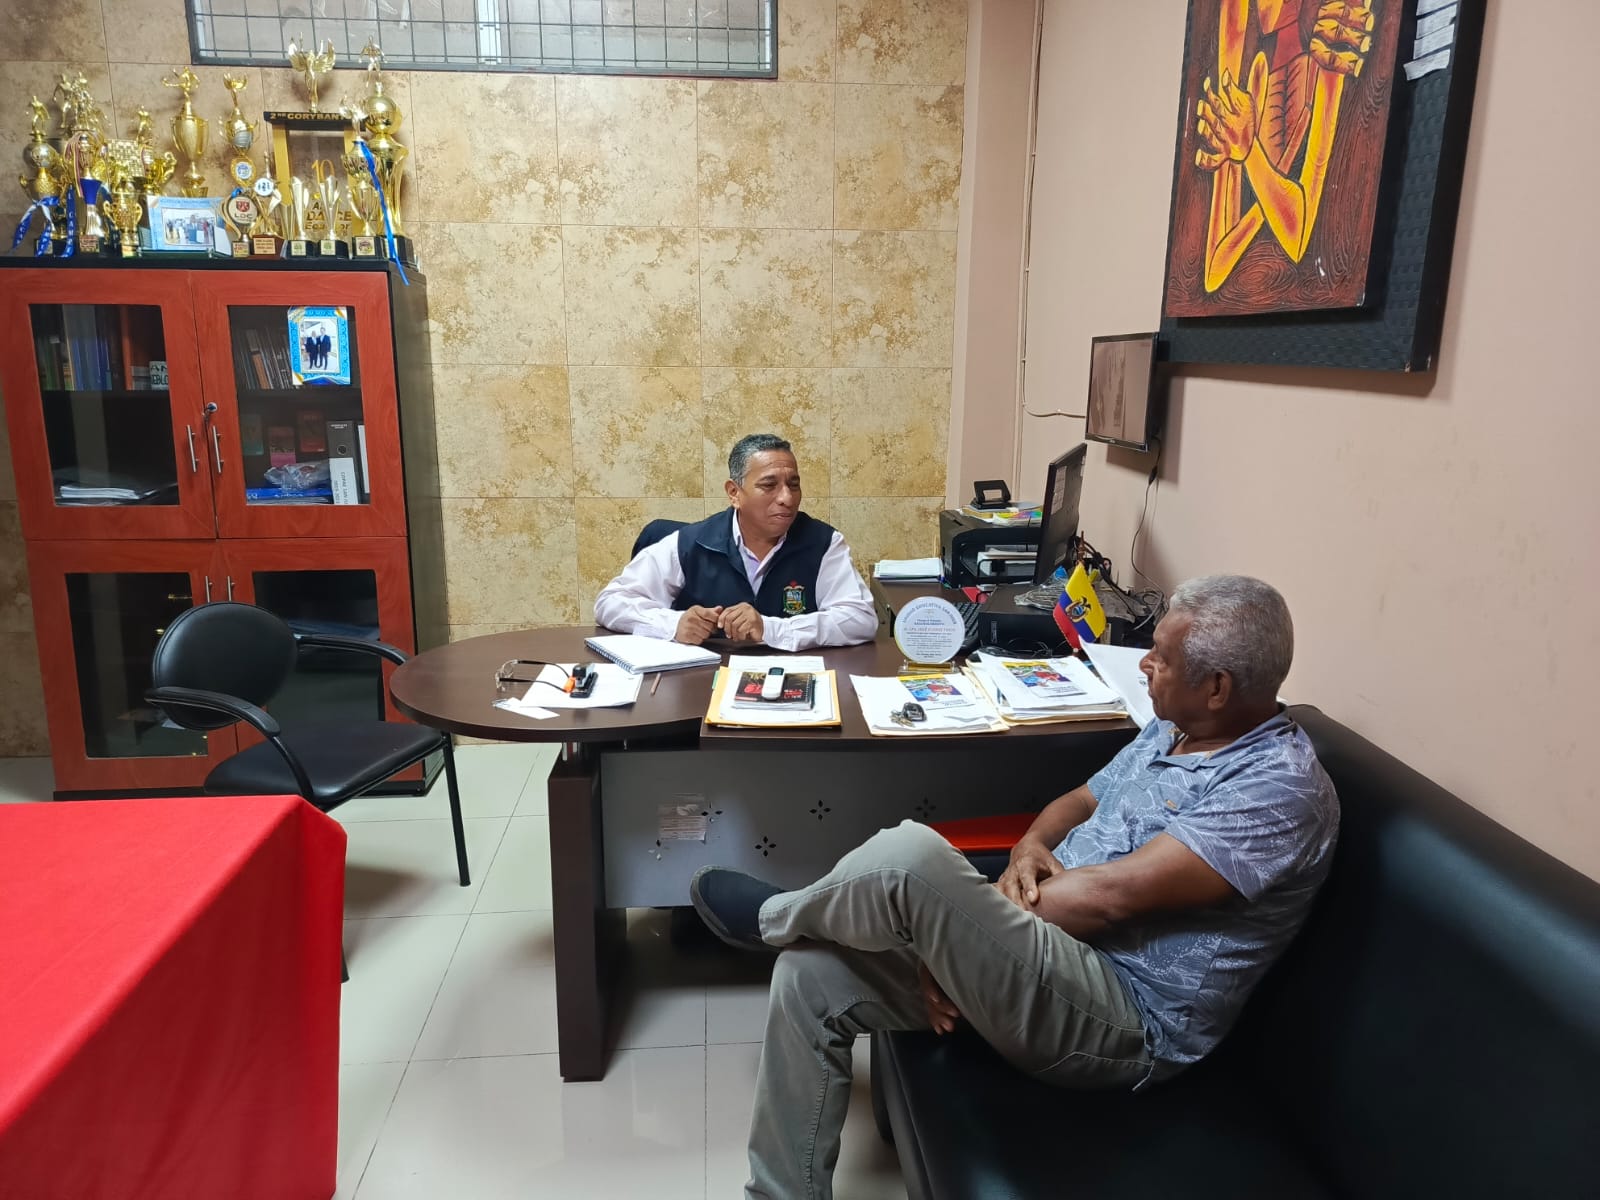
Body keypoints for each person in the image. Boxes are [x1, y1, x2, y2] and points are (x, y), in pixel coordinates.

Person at [688, 575, 1339, 1200]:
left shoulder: (1276, 789)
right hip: (1045, 952)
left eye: (1161, 658)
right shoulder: (1175, 730)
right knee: (807, 976)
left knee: (912, 855)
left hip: (1122, 1015)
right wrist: (1028, 848)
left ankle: (773, 918)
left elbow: (1110, 899)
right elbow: (1079, 801)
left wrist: (953, 942)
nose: (1144, 664)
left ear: (1218, 687)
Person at [594, 433, 878, 653]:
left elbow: (860, 619)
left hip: (791, 684)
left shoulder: (822, 543)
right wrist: (673, 624)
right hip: (702, 687)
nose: (787, 498)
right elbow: (610, 603)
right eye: (769, 485)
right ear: (734, 493)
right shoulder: (691, 543)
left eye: (793, 484)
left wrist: (770, 629)